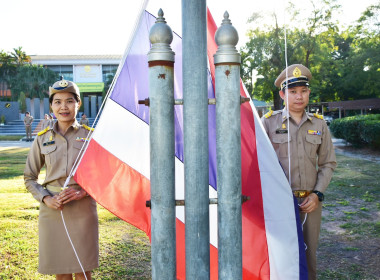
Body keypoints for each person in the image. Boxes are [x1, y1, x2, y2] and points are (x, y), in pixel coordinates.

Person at [261, 64, 336, 280]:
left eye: (303, 91)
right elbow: (261, 165)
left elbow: (328, 163)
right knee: (281, 256)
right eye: (293, 92)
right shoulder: (268, 123)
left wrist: (317, 194)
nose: (298, 97)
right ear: (283, 94)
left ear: (309, 92)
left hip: (310, 204)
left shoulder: (319, 125)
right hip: (279, 204)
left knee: (308, 255)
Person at [24, 79, 98, 280]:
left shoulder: (91, 137)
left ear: (78, 103)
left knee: (83, 270)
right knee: (62, 271)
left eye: (69, 101)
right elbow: (29, 178)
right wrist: (46, 198)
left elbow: (102, 177)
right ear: (51, 106)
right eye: (57, 102)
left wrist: (82, 192)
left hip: (83, 209)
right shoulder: (42, 138)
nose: (63, 107)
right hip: (53, 210)